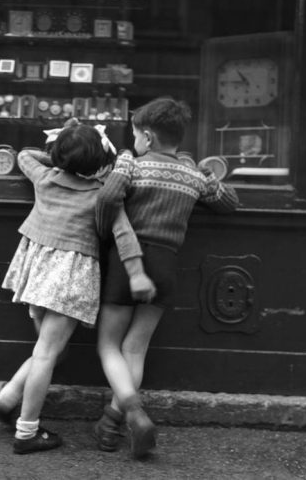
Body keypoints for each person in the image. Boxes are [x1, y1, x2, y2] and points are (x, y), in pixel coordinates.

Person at [0, 119, 156, 455]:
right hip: (70, 277)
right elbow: (124, 234)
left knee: (49, 350)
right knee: (47, 353)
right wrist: (136, 273)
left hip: (37, 273)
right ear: (99, 162)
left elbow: (23, 155)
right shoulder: (101, 195)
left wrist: (58, 155)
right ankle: (26, 431)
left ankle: (6, 400)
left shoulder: (45, 178)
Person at [94, 97, 239, 458]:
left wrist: (102, 233)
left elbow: (108, 197)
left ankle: (133, 412)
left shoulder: (132, 163)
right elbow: (229, 202)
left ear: (147, 136)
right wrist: (204, 172)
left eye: (135, 136)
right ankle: (110, 423)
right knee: (135, 348)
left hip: (128, 260)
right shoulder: (190, 175)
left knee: (109, 345)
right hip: (166, 263)